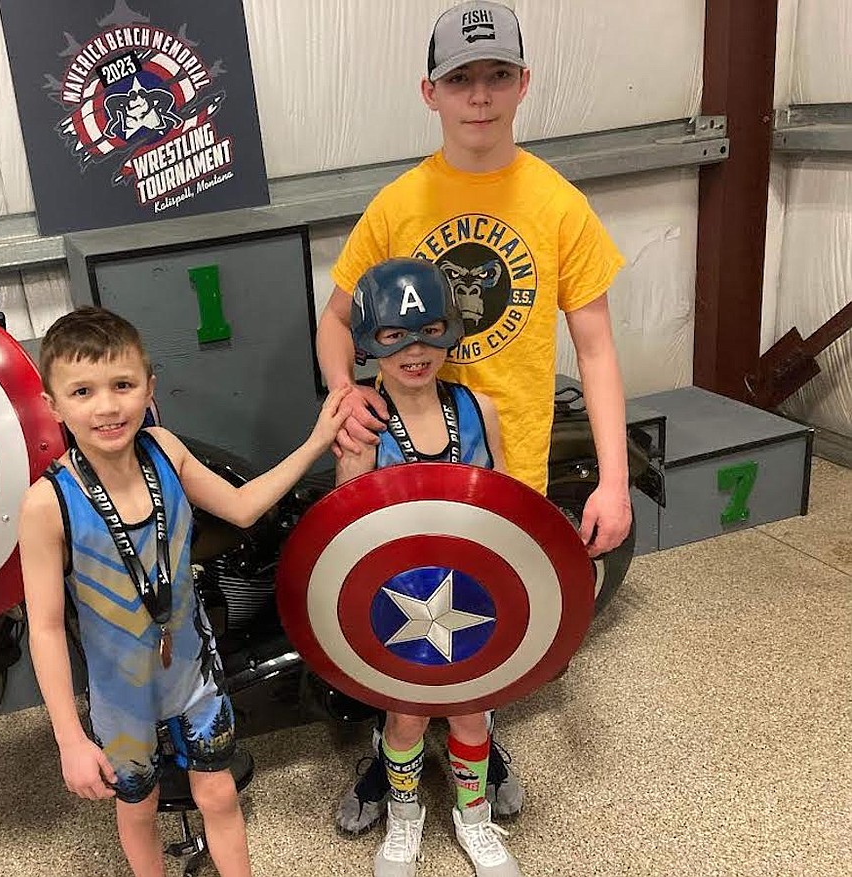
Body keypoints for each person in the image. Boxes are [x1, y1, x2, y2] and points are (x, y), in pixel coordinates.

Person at [315, 0, 633, 839]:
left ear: (524, 83)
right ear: (431, 92)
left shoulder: (559, 204)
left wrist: (614, 478)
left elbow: (597, 350)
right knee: (400, 620)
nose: (480, 96)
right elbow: (334, 317)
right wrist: (345, 391)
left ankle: (479, 754)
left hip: (506, 461)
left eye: (497, 76)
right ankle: (396, 763)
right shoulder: (399, 202)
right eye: (461, 79)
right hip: (403, 465)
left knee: (482, 622)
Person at [18, 307, 350, 877]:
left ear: (149, 387)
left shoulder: (165, 452)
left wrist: (318, 440)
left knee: (219, 795)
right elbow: (45, 627)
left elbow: (243, 507)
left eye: (123, 385)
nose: (107, 406)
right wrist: (70, 739)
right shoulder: (46, 505)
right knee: (139, 808)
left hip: (193, 676)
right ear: (52, 405)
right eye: (82, 391)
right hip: (120, 698)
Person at [337, 257, 521, 876]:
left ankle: (475, 818)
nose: (415, 351)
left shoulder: (479, 409)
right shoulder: (363, 426)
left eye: (427, 332)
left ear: (449, 331)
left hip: (473, 595)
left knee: (472, 710)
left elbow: (509, 510)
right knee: (406, 715)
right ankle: (404, 817)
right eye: (394, 337)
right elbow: (346, 536)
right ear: (369, 344)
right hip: (398, 601)